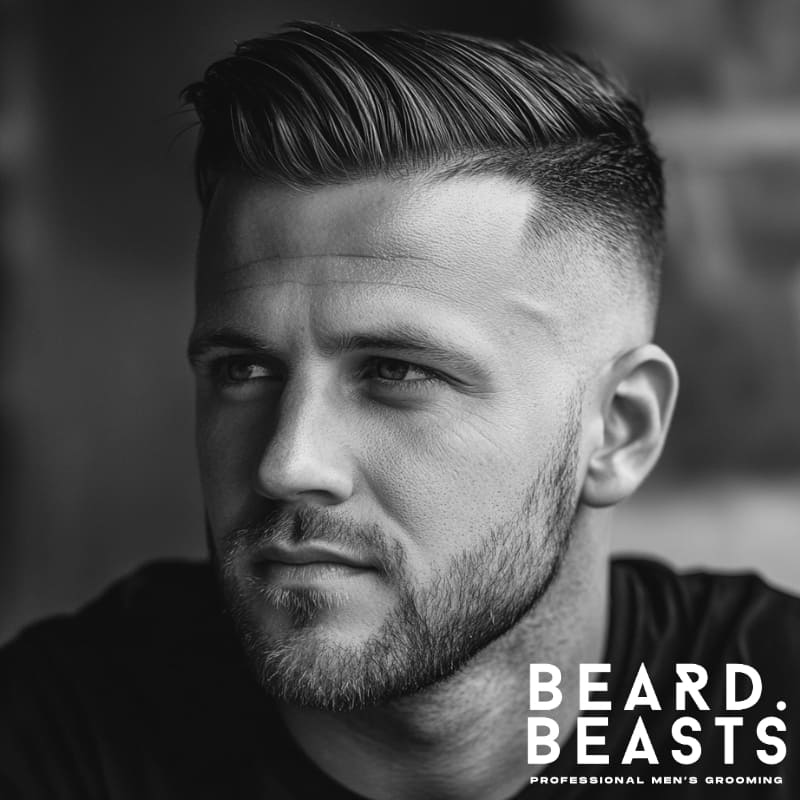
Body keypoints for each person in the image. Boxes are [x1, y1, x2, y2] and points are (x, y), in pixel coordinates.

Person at [1, 21, 797, 800]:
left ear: (620, 429)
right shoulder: (55, 739)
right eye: (243, 368)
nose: (287, 463)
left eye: (395, 372)